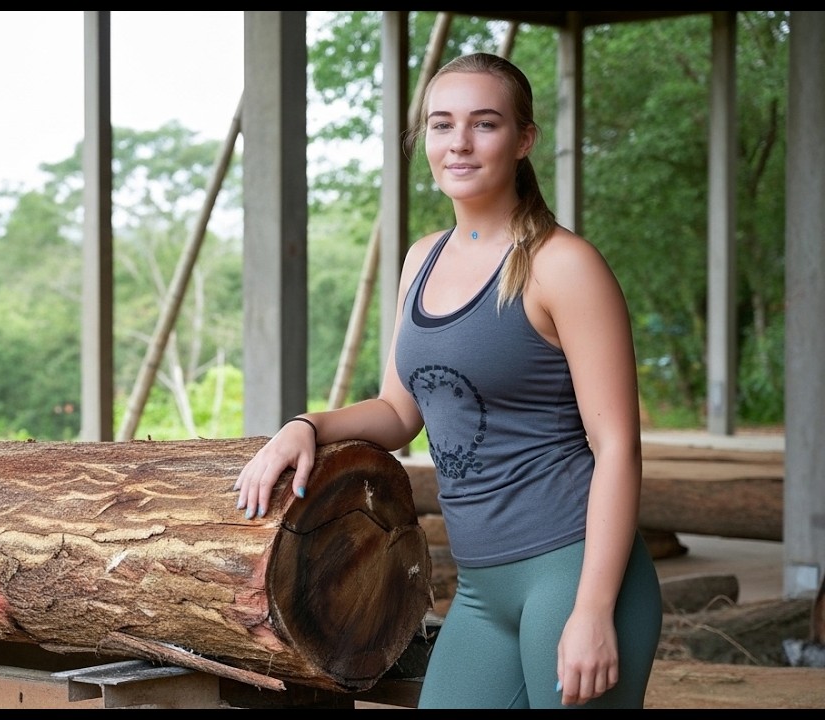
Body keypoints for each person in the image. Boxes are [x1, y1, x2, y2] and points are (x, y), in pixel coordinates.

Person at [233, 52, 662, 709]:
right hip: (484, 588)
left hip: (573, 571)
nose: (458, 142)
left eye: (484, 124)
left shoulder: (563, 265)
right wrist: (307, 426)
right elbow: (399, 411)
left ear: (523, 140)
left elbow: (617, 448)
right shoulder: (421, 260)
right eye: (441, 125)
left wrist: (594, 609)